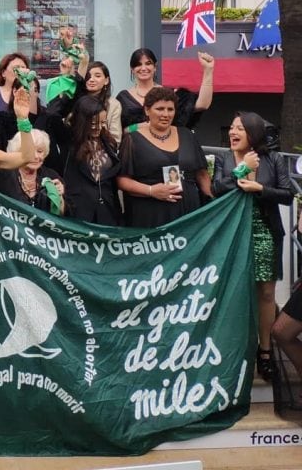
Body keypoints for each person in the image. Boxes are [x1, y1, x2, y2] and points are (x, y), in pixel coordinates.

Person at [213, 112, 292, 381]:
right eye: (231, 128)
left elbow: (287, 195)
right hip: (232, 232)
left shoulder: (274, 159)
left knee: (266, 294)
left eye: (239, 129)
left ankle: (265, 350)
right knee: (235, 292)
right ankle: (235, 350)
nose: (233, 133)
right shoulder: (224, 158)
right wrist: (242, 169)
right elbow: (217, 189)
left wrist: (259, 188)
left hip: (265, 231)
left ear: (253, 133)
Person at [117, 86, 211, 227]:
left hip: (189, 213)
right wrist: (151, 191)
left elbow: (202, 175)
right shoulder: (132, 139)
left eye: (170, 109)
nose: (165, 114)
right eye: (160, 109)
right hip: (151, 213)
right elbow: (122, 181)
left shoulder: (187, 135)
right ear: (147, 110)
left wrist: (215, 202)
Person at [116, 48, 215, 130]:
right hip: (134, 150)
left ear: (155, 67)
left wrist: (208, 70)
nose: (143, 68)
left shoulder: (168, 94)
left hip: (165, 149)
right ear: (132, 69)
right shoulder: (123, 98)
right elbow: (118, 131)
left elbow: (202, 104)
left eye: (148, 63)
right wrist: (138, 127)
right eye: (138, 64)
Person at [62, 96, 122, 225]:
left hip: (107, 211)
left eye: (103, 123)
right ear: (82, 121)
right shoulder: (68, 141)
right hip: (77, 212)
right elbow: (51, 114)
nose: (99, 128)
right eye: (94, 123)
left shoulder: (108, 142)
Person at [0, 129, 64, 214]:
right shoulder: (3, 176)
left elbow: (63, 216)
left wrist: (59, 197)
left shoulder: (52, 176)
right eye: (29, 151)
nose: (35, 156)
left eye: (40, 151)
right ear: (17, 152)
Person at [83, 61, 122, 143]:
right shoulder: (77, 101)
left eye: (97, 76)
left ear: (106, 80)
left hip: (103, 151)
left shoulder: (113, 104)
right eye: (88, 76)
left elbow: (116, 139)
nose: (91, 80)